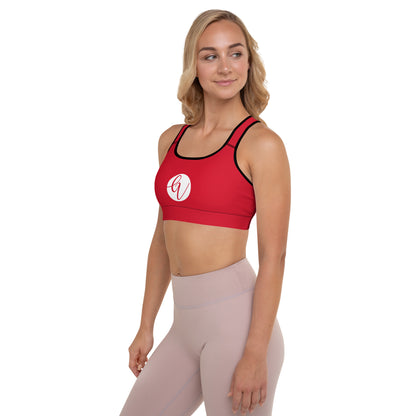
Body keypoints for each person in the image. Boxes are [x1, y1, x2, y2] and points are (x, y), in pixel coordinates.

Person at [119, 9, 291, 416]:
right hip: (184, 326)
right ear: (193, 66)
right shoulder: (171, 141)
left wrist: (256, 352)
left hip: (238, 328)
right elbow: (162, 241)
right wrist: (146, 325)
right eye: (210, 55)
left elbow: (275, 257)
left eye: (235, 53)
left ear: (249, 62)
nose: (225, 67)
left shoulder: (262, 145)